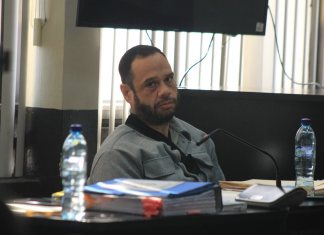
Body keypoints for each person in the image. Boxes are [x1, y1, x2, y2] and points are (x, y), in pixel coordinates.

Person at [88, 45, 225, 184]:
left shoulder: (199, 138)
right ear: (127, 93)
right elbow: (112, 206)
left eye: (168, 79)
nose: (165, 91)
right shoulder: (117, 155)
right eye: (152, 84)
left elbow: (223, 199)